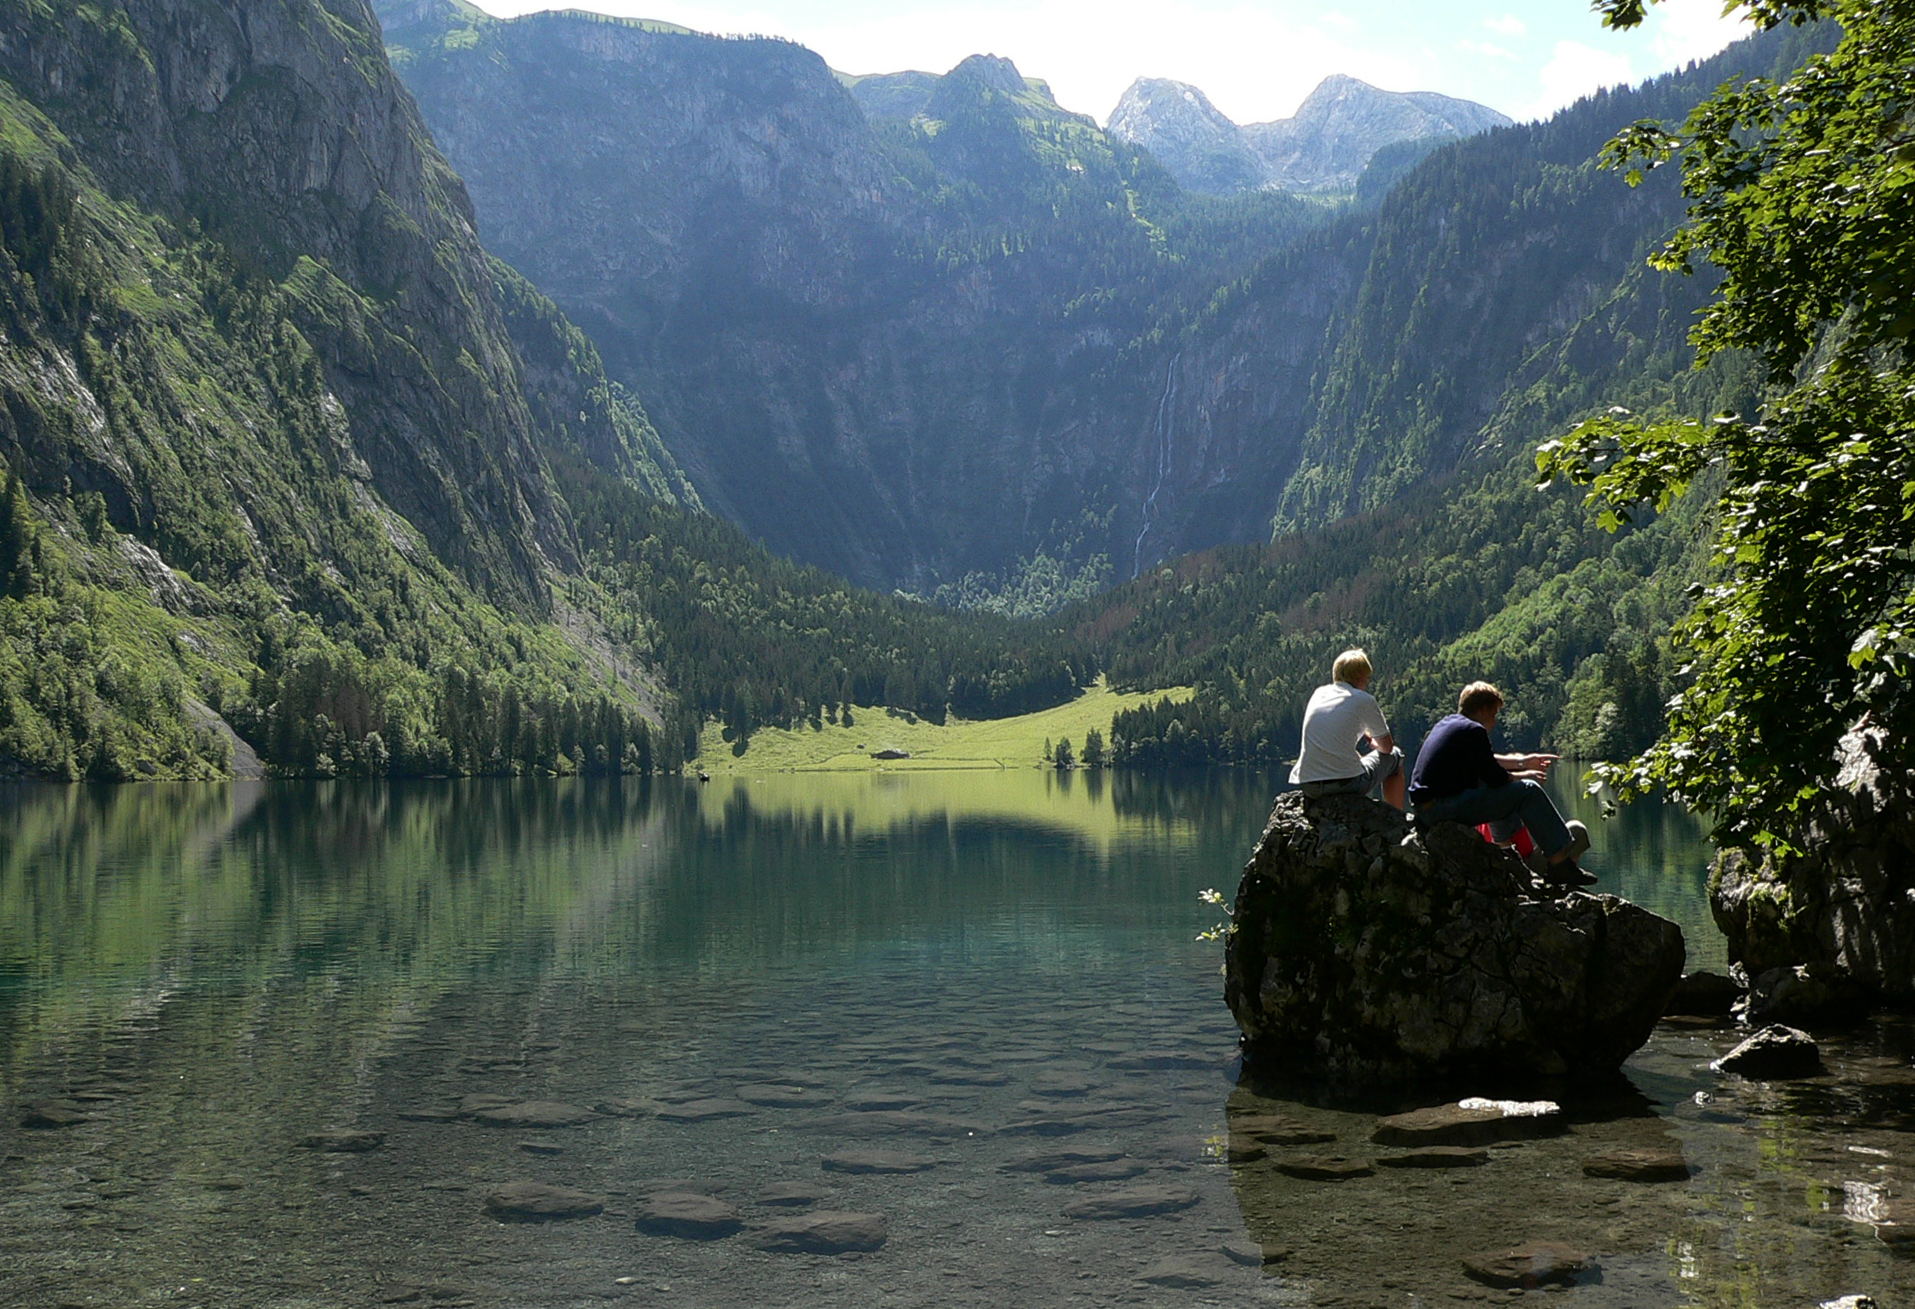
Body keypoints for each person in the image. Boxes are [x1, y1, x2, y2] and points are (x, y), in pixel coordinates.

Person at [1408, 681, 1594, 887]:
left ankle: (1508, 855)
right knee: (1528, 791)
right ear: (1484, 709)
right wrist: (1526, 776)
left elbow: (1485, 761)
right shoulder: (1473, 730)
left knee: (1506, 790)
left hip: (1427, 808)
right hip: (1441, 808)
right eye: (1494, 714)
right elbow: (1495, 777)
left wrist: (1522, 761)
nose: (1495, 721)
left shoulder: (1449, 724)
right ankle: (1560, 865)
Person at [1289, 648, 1405, 809]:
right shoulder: (1364, 699)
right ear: (1360, 677)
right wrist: (1374, 746)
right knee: (1395, 756)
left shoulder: (1319, 693)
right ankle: (1397, 816)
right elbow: (1387, 748)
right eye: (1367, 678)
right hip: (1344, 786)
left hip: (1309, 786)